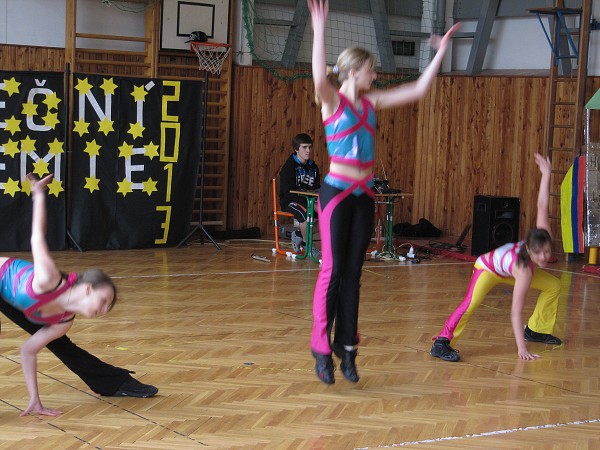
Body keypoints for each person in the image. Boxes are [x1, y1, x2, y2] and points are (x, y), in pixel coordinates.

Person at [307, 0, 461, 384]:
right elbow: (317, 76)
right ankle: (320, 347)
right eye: (372, 69)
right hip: (337, 194)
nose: (376, 75)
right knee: (333, 269)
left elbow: (419, 89)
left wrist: (441, 50)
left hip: (364, 196)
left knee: (355, 274)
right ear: (355, 71)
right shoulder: (332, 101)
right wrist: (320, 28)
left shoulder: (372, 102)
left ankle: (348, 351)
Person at [0, 173, 150, 417]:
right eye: (103, 302)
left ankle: (111, 382)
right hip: (6, 279)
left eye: (107, 308)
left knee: (61, 344)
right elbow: (37, 236)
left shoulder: (63, 322)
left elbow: (28, 350)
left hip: (19, 297)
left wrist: (35, 399)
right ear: (88, 288)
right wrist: (38, 194)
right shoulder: (47, 278)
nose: (103, 312)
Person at [430, 153, 562, 362]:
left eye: (547, 251)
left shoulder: (542, 234)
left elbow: (542, 205)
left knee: (553, 285)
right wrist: (522, 349)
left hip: (510, 270)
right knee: (471, 303)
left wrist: (547, 174)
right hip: (488, 269)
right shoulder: (524, 270)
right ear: (530, 250)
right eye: (541, 254)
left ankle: (536, 329)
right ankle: (442, 342)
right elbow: (515, 312)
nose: (546, 257)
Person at [279, 133, 321, 254]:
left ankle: (299, 234)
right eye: (304, 147)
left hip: (310, 200)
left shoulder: (313, 167)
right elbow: (288, 192)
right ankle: (308, 245)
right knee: (305, 215)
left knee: (328, 215)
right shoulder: (289, 167)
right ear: (296, 149)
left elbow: (315, 188)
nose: (308, 150)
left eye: (310, 147)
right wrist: (309, 204)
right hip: (290, 200)